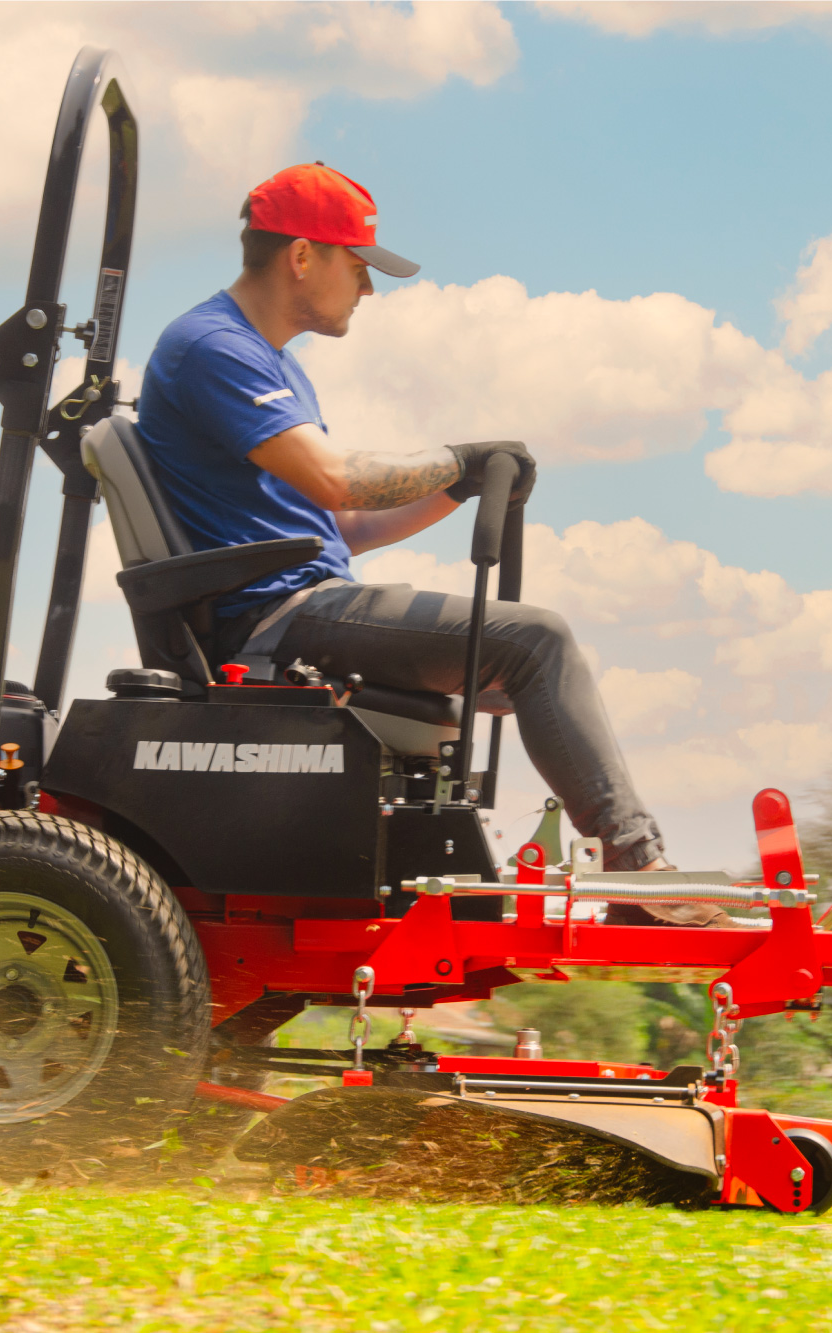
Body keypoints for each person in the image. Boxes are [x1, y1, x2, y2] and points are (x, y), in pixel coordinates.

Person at [135, 163, 722, 925]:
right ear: (302, 256)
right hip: (275, 620)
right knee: (536, 642)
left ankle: (558, 869)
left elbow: (342, 526)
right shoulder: (213, 347)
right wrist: (454, 457)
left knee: (526, 675)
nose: (368, 288)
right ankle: (635, 870)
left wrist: (458, 487)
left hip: (301, 599)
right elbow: (336, 479)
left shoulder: (266, 360)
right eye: (359, 266)